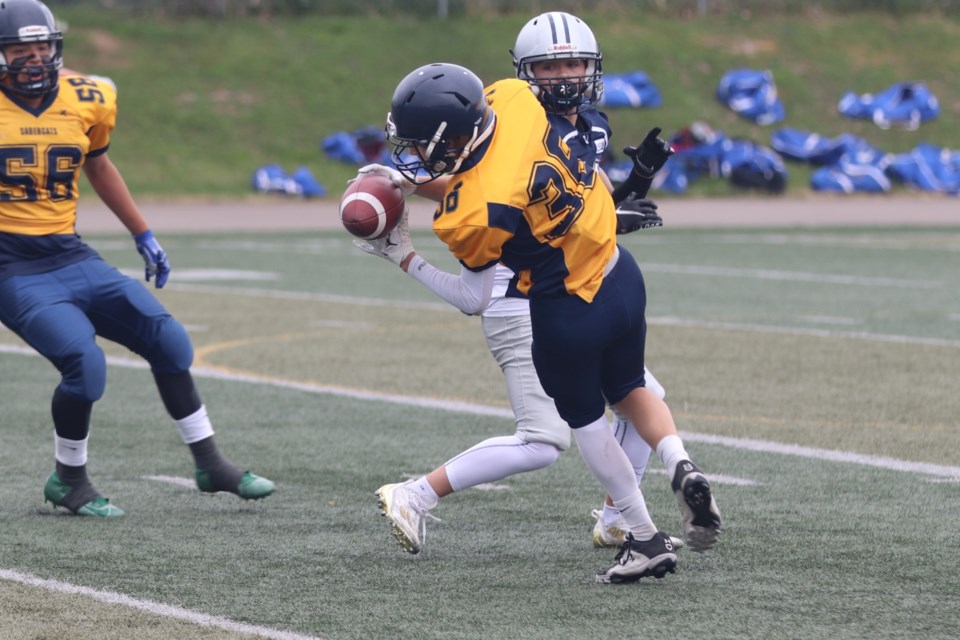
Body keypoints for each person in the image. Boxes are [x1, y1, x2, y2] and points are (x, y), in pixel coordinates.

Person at [360, 60, 722, 583]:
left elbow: (472, 297)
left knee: (582, 425)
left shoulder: (474, 213)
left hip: (566, 307)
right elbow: (506, 171)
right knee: (634, 388)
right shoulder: (512, 98)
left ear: (446, 136)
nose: (414, 153)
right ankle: (679, 463)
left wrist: (403, 256)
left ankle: (641, 534)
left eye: (419, 143)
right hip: (620, 274)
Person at [0, 0, 274, 517]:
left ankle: (210, 464)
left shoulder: (87, 95)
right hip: (12, 265)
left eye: (41, 47)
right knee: (84, 364)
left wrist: (142, 233)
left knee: (168, 340)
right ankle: (69, 479)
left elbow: (99, 166)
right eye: (20, 49)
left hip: (69, 251)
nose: (34, 59)